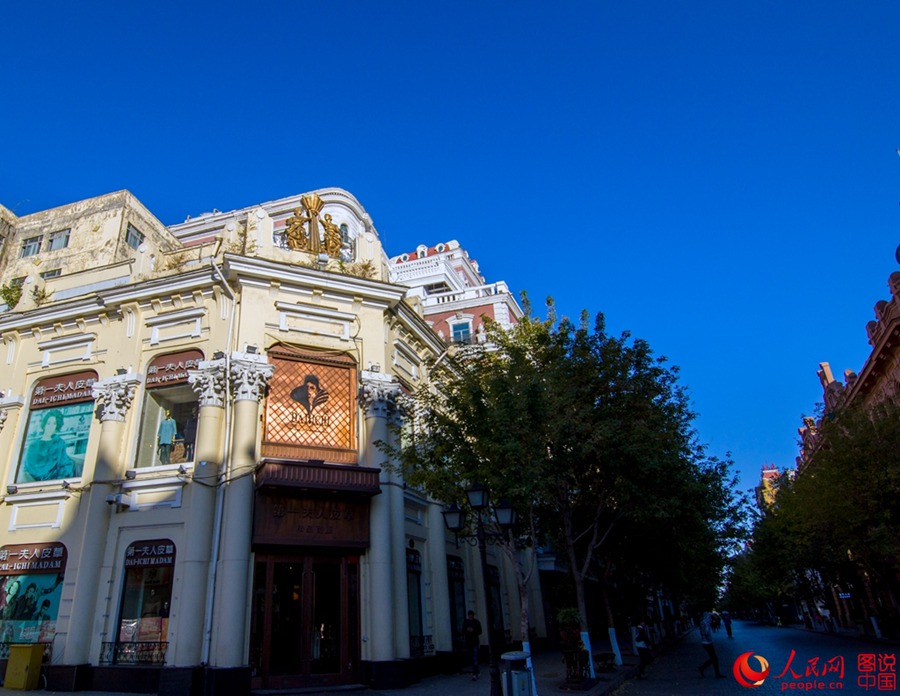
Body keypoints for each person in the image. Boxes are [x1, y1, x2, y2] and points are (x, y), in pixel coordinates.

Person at [22, 410, 75, 482]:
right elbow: (31, 468)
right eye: (48, 423)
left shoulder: (59, 442)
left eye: (54, 424)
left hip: (57, 479)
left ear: (57, 426)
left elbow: (63, 462)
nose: (51, 427)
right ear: (44, 425)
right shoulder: (33, 446)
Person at [698, 611, 725, 678]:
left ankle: (714, 672)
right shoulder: (706, 623)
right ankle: (703, 668)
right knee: (714, 658)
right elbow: (706, 632)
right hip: (707, 642)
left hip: (704, 642)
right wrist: (709, 638)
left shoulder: (702, 622)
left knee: (714, 658)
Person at [463, 610, 483, 681]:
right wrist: (467, 630)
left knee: (475, 658)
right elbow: (463, 630)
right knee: (472, 658)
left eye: (471, 615)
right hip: (469, 642)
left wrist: (473, 630)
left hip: (475, 642)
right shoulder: (466, 622)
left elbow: (480, 631)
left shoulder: (476, 622)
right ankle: (477, 671)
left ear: (473, 615)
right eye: (469, 616)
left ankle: (475, 674)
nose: (470, 617)